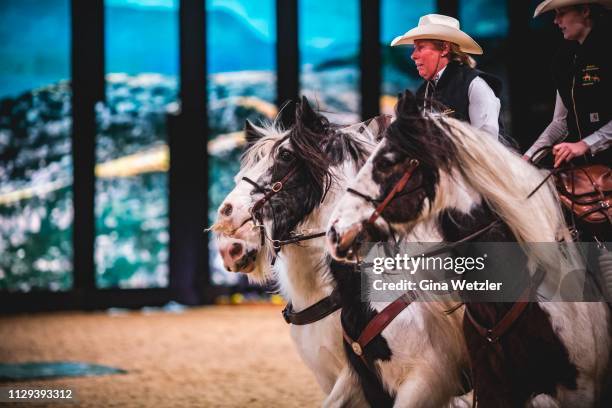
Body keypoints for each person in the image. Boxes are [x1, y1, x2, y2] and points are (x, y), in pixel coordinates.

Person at [524, 0, 612, 168]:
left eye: (561, 13)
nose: (556, 21)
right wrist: (528, 158)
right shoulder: (564, 60)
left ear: (585, 11)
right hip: (590, 169)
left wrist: (585, 144)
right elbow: (560, 122)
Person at [391, 14, 504, 140]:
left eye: (421, 48)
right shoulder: (422, 92)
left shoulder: (475, 84)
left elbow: (487, 143)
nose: (413, 55)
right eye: (414, 48)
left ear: (444, 48)